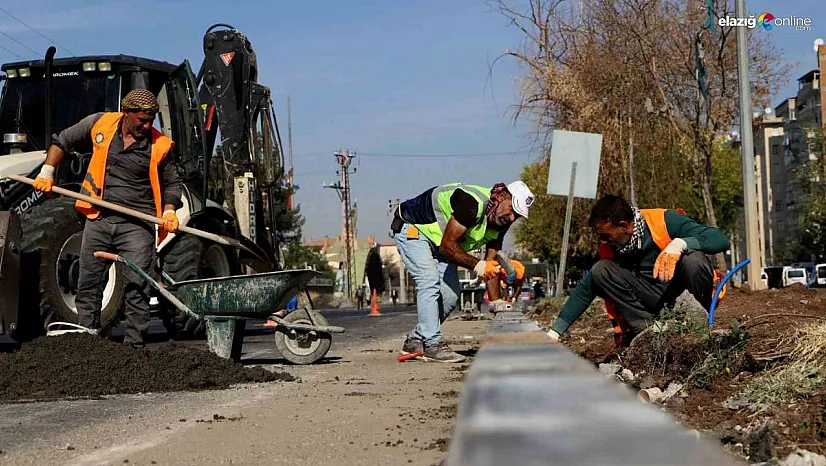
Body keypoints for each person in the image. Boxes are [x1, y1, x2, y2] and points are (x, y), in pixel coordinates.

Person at [32, 89, 183, 348]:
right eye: (141, 121)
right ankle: (87, 342)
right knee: (88, 283)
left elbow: (172, 183)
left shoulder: (160, 145)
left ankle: (134, 348)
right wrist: (47, 171)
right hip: (98, 219)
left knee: (137, 288)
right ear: (126, 113)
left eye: (151, 121)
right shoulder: (100, 124)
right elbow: (63, 141)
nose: (147, 126)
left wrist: (169, 210)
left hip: (137, 225)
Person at [546, 195, 729, 346]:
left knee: (693, 259)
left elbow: (719, 238)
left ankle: (701, 320)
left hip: (682, 292)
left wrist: (682, 243)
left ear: (624, 226)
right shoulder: (611, 248)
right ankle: (648, 331)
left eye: (605, 235)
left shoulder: (663, 221)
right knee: (600, 270)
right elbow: (586, 289)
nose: (603, 241)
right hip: (653, 298)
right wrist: (555, 332)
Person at [392, 181, 534, 362]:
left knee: (451, 296)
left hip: (442, 243)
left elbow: (489, 265)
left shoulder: (500, 223)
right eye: (512, 209)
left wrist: (496, 301)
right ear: (501, 196)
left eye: (518, 216)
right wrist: (478, 266)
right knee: (429, 281)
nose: (512, 218)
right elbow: (447, 247)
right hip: (413, 227)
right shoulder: (472, 204)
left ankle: (415, 340)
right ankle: (432, 344)